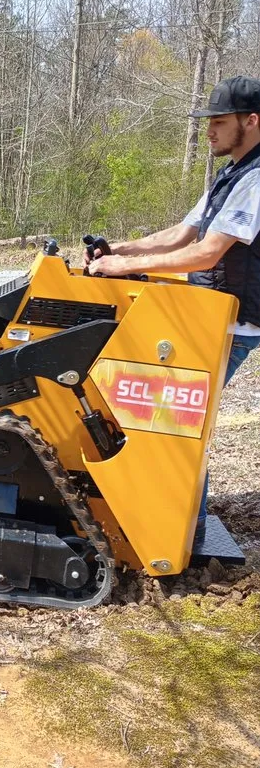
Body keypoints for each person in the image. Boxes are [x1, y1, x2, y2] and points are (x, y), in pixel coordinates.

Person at [87, 75, 260, 539]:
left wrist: (124, 268)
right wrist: (118, 250)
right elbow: (181, 235)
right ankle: (173, 523)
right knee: (163, 416)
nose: (209, 131)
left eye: (219, 122)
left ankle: (181, 531)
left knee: (171, 421)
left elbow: (206, 253)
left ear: (251, 121)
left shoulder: (257, 179)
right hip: (206, 317)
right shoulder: (232, 174)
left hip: (230, 327)